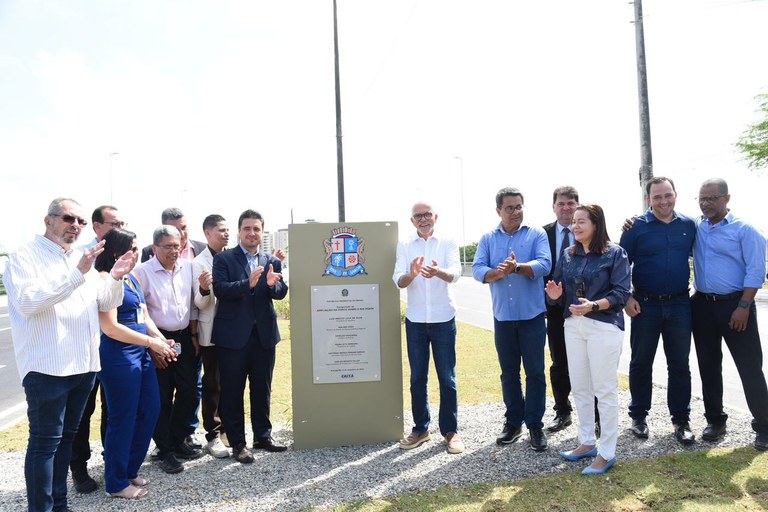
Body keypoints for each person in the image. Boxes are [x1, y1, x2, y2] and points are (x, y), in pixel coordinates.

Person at [3, 197, 133, 512]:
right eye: (68, 218)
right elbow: (28, 303)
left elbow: (103, 303)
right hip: (47, 368)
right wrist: (77, 274)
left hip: (84, 366)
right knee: (45, 445)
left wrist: (115, 277)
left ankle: (59, 505)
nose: (75, 225)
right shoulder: (25, 256)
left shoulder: (80, 258)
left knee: (65, 440)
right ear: (48, 221)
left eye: (80, 221)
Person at [545, 204, 631, 475]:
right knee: (580, 386)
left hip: (603, 326)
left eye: (582, 221)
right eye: (574, 222)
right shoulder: (568, 255)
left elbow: (621, 293)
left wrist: (594, 305)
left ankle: (607, 453)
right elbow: (556, 291)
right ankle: (586, 442)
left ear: (596, 224)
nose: (575, 225)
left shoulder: (615, 253)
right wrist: (555, 296)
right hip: (573, 326)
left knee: (604, 390)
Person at [95, 228, 177, 499]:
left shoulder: (131, 278)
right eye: (131, 248)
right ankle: (116, 482)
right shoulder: (106, 279)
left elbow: (144, 315)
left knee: (150, 409)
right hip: (119, 356)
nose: (136, 253)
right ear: (116, 251)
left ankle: (130, 468)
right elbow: (110, 328)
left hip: (140, 351)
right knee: (122, 417)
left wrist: (160, 339)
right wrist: (150, 343)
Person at [472, 187, 551, 452]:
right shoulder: (487, 238)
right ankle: (513, 422)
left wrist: (517, 267)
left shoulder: (536, 233)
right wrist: (499, 273)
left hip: (532, 316)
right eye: (510, 208)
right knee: (509, 373)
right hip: (503, 318)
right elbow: (477, 270)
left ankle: (535, 425)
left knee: (536, 373)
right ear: (498, 211)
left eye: (519, 206)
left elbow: (544, 265)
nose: (516, 212)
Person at [691, 178, 768, 451]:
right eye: (702, 198)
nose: (706, 203)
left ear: (727, 199)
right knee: (708, 365)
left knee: (749, 367)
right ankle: (715, 421)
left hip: (736, 305)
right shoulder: (696, 227)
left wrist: (744, 306)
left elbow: (756, 271)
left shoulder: (745, 230)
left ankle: (764, 426)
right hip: (702, 305)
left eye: (712, 198)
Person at [619, 177, 696, 445]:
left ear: (676, 195)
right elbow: (619, 267)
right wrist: (627, 297)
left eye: (668, 195)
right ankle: (639, 416)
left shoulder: (689, 225)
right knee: (641, 362)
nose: (664, 201)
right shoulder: (634, 228)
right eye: (657, 197)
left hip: (679, 304)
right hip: (644, 304)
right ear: (648, 199)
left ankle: (681, 420)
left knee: (680, 364)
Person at [212, 209, 288, 463]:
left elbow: (280, 292)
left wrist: (270, 284)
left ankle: (263, 436)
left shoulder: (271, 260)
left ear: (262, 232)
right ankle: (238, 443)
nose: (252, 233)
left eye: (257, 229)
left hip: (264, 336)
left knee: (262, 388)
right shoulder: (224, 259)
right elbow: (221, 290)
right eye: (247, 228)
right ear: (239, 231)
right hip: (233, 338)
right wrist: (250, 284)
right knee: (233, 391)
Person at [393, 201, 464, 454]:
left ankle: (451, 431)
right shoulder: (404, 245)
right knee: (417, 378)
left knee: (447, 378)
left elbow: (455, 273)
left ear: (436, 216)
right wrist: (412, 274)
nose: (423, 219)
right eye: (417, 216)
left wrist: (438, 272)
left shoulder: (447, 242)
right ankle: (421, 429)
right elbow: (398, 280)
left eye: (427, 215)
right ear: (412, 221)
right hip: (415, 320)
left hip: (444, 319)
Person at [133, 225, 203, 474]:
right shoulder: (142, 273)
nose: (174, 251)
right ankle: (165, 450)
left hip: (184, 338)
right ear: (155, 248)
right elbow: (139, 314)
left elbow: (194, 305)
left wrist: (194, 334)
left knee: (190, 393)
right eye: (168, 246)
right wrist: (153, 347)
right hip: (157, 340)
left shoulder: (187, 268)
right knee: (161, 398)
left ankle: (176, 440)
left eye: (177, 246)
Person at [70, 204, 127, 493]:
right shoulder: (82, 257)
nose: (119, 228)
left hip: (116, 345)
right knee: (83, 410)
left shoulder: (125, 255)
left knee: (112, 407)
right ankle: (78, 467)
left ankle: (111, 461)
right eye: (113, 223)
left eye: (122, 222)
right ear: (97, 227)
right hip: (88, 344)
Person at [191, 214, 231, 458]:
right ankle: (213, 433)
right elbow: (198, 302)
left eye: (228, 230)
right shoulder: (198, 263)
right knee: (212, 383)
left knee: (232, 382)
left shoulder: (234, 257)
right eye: (221, 230)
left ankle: (230, 428)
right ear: (207, 233)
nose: (226, 234)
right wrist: (205, 289)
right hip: (212, 331)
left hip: (235, 330)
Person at [542, 186, 580, 433]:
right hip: (554, 307)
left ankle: (596, 414)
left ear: (578, 204)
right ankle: (562, 411)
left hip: (585, 306)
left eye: (571, 203)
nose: (566, 208)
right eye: (561, 203)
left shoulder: (588, 228)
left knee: (588, 361)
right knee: (559, 361)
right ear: (553, 206)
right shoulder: (541, 234)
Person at [141, 207, 206, 263]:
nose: (181, 234)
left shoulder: (203, 248)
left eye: (184, 228)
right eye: (175, 230)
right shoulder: (150, 252)